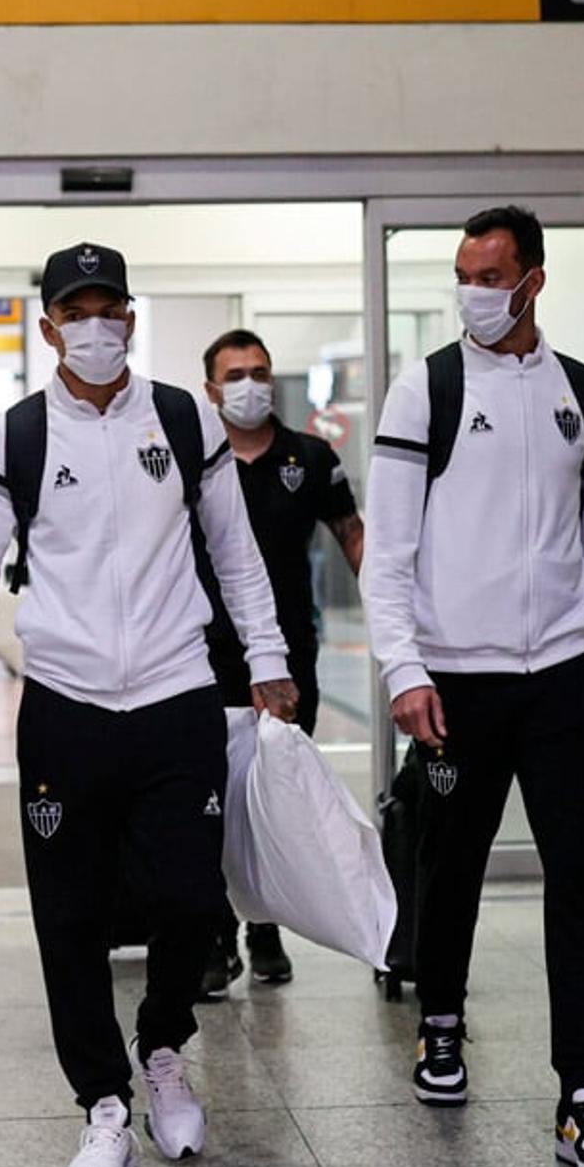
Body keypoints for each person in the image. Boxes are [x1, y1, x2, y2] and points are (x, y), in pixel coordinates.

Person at [0, 242, 297, 1167]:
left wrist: (268, 660)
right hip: (66, 706)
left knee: (188, 900)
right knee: (71, 918)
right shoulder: (11, 436)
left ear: (130, 320)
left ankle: (165, 1046)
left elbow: (238, 552)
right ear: (49, 324)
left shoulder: (182, 419)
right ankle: (103, 1106)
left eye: (109, 309)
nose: (93, 327)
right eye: (74, 311)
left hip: (178, 694)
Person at [363, 205, 584, 1167]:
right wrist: (404, 669)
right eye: (464, 274)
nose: (476, 291)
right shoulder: (425, 389)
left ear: (534, 280)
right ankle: (441, 1021)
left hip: (562, 672)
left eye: (493, 275)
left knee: (581, 880)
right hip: (458, 676)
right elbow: (388, 555)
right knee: (453, 863)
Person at [194, 327, 364, 999]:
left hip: (290, 660)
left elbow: (352, 535)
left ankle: (265, 929)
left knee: (275, 801)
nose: (249, 385)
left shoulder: (311, 458)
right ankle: (217, 936)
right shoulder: (194, 461)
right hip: (204, 659)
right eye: (233, 375)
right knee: (211, 802)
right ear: (211, 389)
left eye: (259, 371)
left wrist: (399, 627)